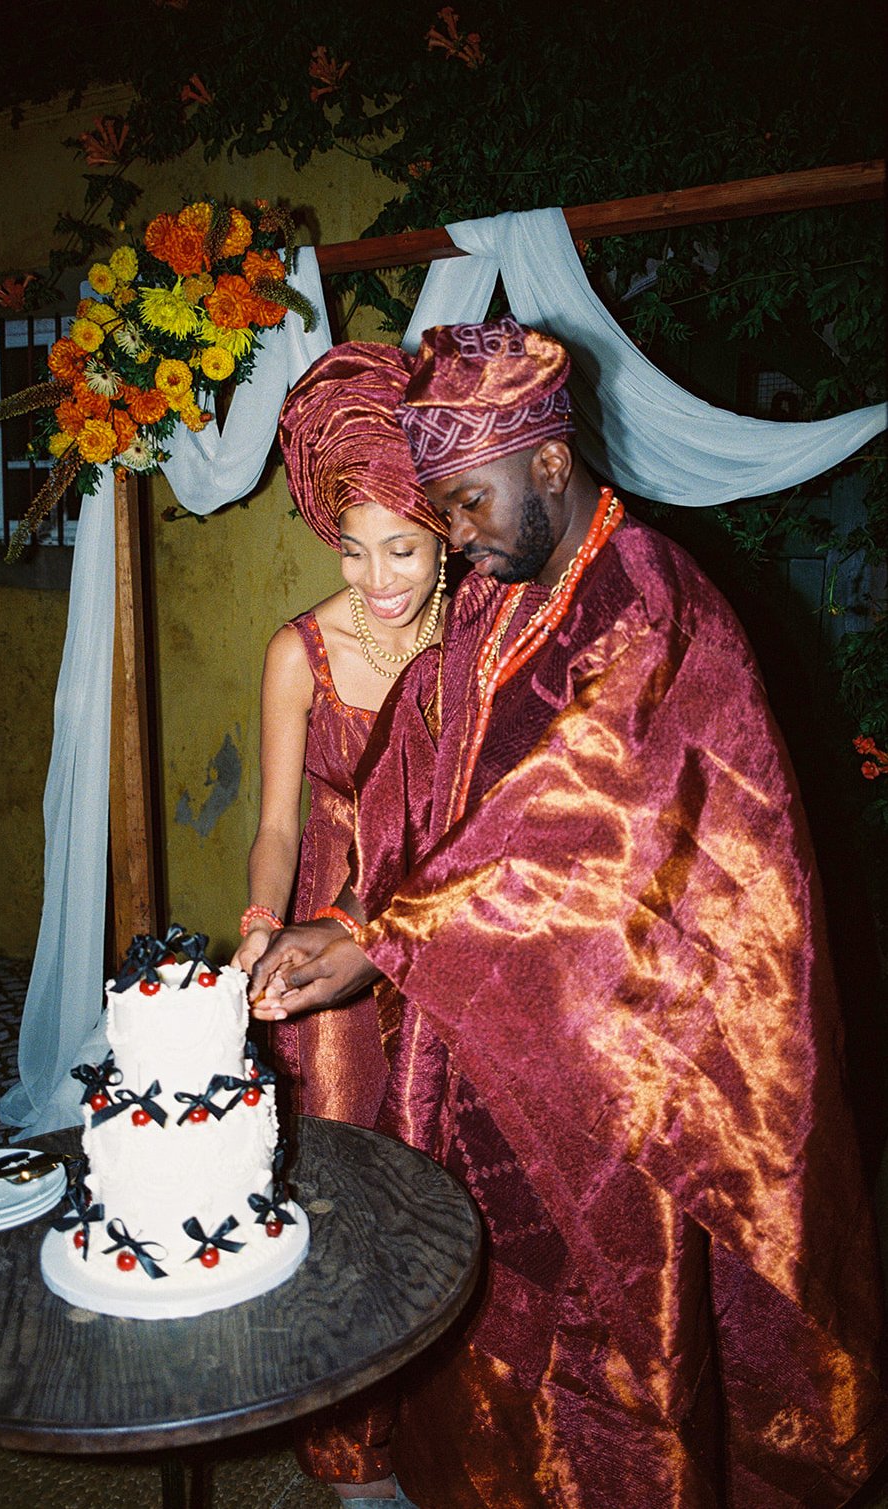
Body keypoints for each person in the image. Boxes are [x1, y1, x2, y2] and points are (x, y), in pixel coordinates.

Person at [249, 318, 888, 1508]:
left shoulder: (645, 598)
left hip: (638, 1046)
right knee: (491, 1319)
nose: (460, 540)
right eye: (441, 510)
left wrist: (380, 937)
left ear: (548, 463)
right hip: (510, 1016)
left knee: (616, 1344)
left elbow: (580, 827)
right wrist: (337, 912)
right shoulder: (506, 594)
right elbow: (427, 790)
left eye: (471, 505)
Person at [233, 342, 449, 1140]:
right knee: (340, 1141)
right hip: (329, 920)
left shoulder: (476, 637)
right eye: (353, 552)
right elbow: (278, 826)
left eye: (402, 550)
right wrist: (261, 922)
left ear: (445, 535)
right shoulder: (298, 655)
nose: (379, 580)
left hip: (439, 915)